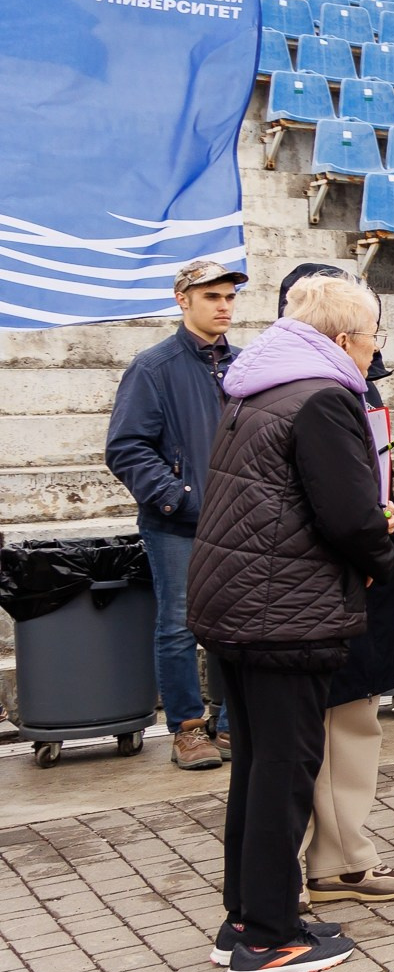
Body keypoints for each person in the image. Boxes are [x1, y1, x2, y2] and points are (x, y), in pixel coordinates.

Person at [187, 273, 394, 972]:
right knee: (284, 772)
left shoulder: (258, 386)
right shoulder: (326, 396)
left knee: (257, 765)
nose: (374, 353)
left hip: (237, 606)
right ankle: (269, 936)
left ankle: (245, 915)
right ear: (343, 340)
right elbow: (348, 514)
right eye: (373, 339)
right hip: (286, 613)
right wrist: (380, 554)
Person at [267, 263, 394, 910]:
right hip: (329, 576)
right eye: (366, 328)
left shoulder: (366, 391)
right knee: (324, 729)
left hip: (364, 569)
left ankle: (339, 855)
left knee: (356, 719)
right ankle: (334, 862)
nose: (376, 340)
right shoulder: (311, 393)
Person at [105, 256, 244, 770]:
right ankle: (187, 729)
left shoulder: (245, 366)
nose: (224, 305)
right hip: (176, 523)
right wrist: (180, 498)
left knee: (236, 623)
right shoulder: (153, 367)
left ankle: (231, 724)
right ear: (182, 299)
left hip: (236, 521)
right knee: (178, 625)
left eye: (229, 296)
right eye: (212, 296)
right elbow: (126, 448)